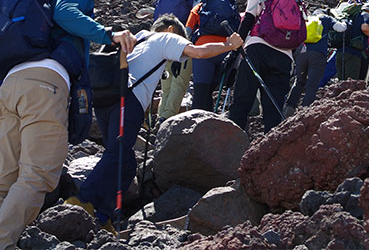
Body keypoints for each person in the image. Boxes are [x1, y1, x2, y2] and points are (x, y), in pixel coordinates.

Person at [0, 0, 138, 250]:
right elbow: (65, 13)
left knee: (2, 176)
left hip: (11, 84)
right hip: (47, 83)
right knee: (36, 177)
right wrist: (108, 34)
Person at [67, 15, 242, 231]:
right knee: (118, 154)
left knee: (126, 161)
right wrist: (228, 44)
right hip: (127, 101)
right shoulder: (166, 39)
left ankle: (102, 216)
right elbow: (199, 52)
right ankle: (81, 201)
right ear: (170, 29)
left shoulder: (140, 37)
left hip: (106, 99)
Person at [228, 0, 297, 133]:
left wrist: (235, 52)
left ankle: (232, 143)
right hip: (284, 55)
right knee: (273, 108)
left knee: (242, 100)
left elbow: (248, 20)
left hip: (256, 50)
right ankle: (269, 150)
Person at [156, 0, 210, 120]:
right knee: (179, 83)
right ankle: (167, 118)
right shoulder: (201, 0)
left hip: (163, 41)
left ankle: (161, 114)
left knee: (166, 84)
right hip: (183, 46)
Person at [184, 0, 240, 111]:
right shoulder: (231, 7)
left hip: (203, 51)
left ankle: (197, 124)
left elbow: (187, 31)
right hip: (226, 50)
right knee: (213, 89)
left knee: (201, 91)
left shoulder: (199, 7)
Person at [285, 13, 336, 113]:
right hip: (318, 55)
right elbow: (340, 28)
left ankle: (289, 108)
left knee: (299, 81)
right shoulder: (326, 18)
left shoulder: (307, 18)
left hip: (302, 53)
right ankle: (305, 110)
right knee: (312, 84)